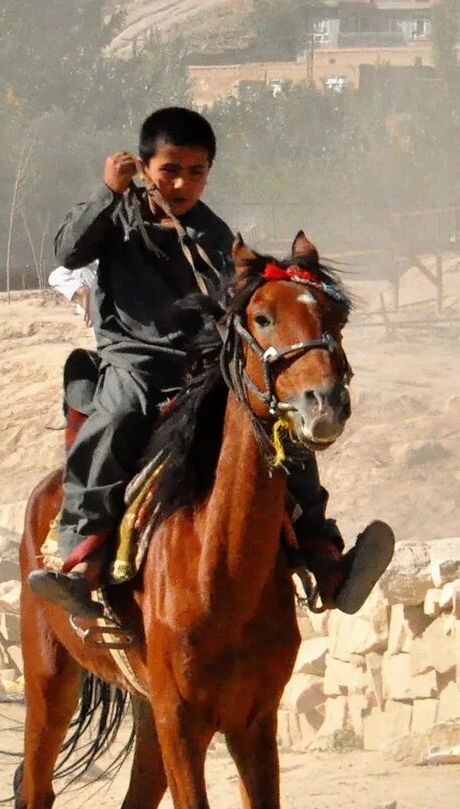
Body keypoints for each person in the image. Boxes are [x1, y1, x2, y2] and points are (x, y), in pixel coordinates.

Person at [27, 105, 391, 620]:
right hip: (133, 362)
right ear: (144, 168)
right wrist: (108, 192)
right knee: (118, 418)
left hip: (200, 369)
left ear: (208, 174)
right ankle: (82, 556)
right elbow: (67, 251)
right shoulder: (115, 218)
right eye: (169, 170)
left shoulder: (217, 238)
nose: (181, 183)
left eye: (195, 172)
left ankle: (322, 552)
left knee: (276, 424)